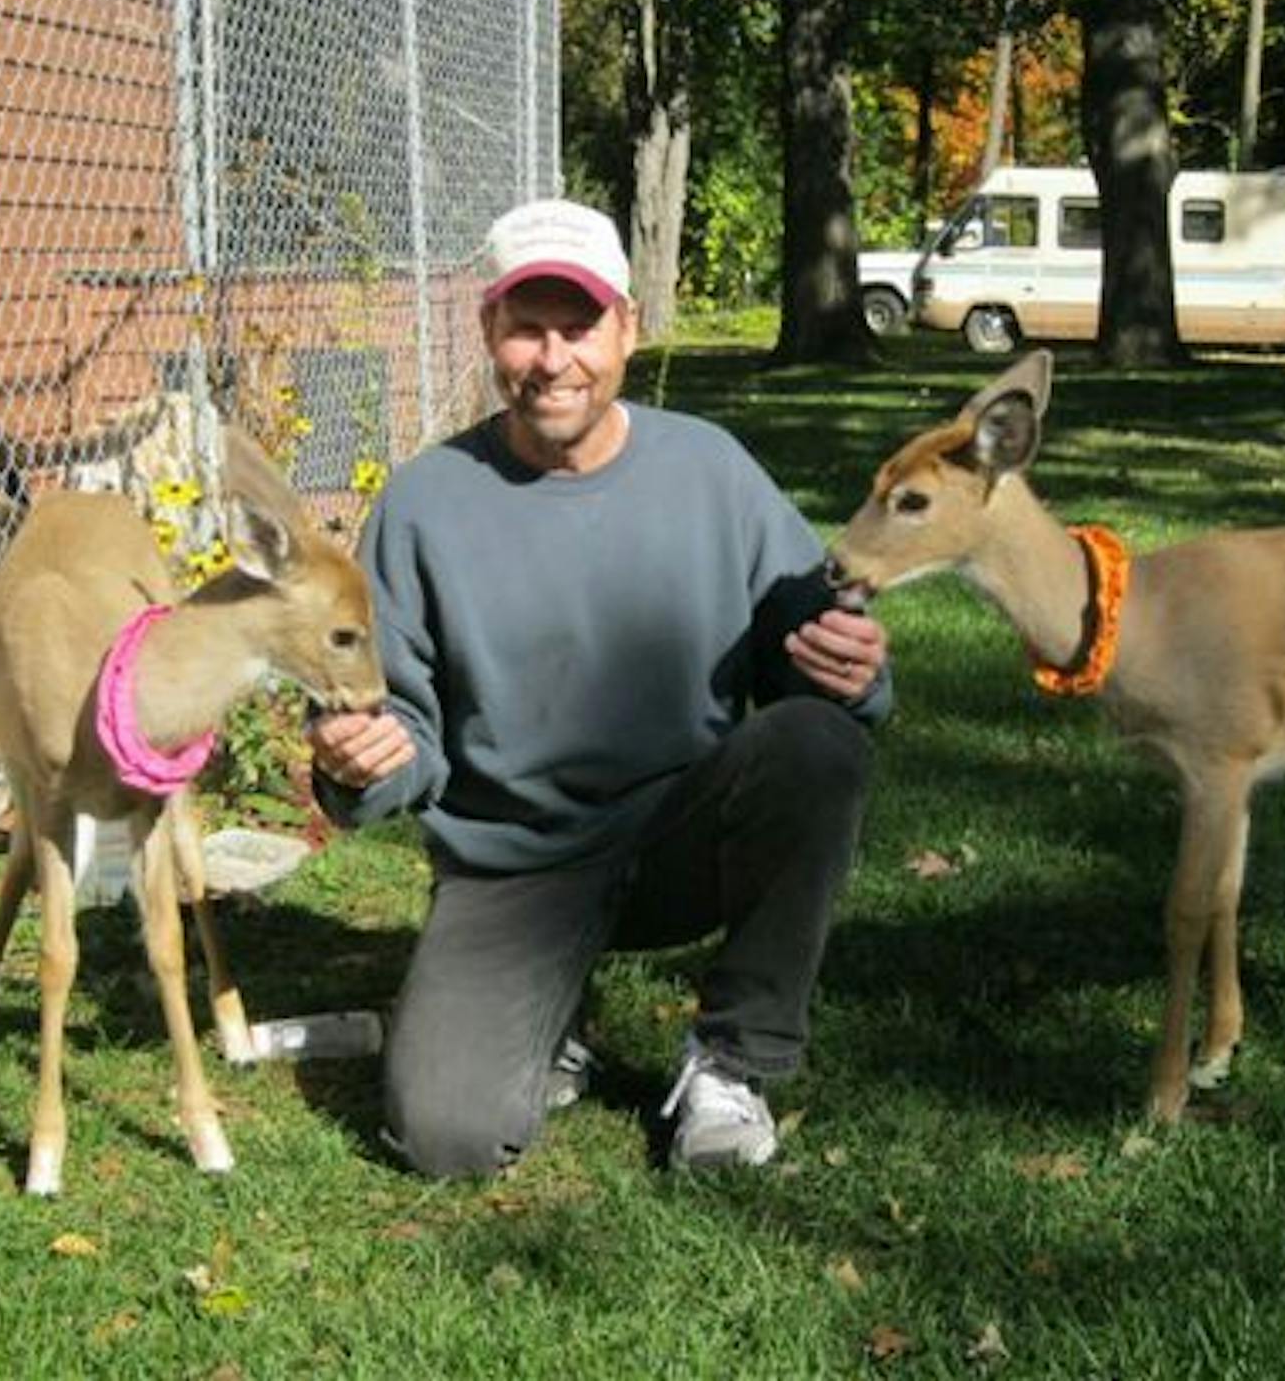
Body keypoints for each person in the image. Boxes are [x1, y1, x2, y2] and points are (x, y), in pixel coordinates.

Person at [307, 196, 892, 1177]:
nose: (553, 358)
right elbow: (394, 716)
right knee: (444, 1136)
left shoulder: (712, 470)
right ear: (488, 330)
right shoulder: (422, 503)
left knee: (816, 745)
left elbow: (816, 644)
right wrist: (367, 762)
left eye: (578, 327)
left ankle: (731, 1061)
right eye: (526, 327)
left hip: (680, 837)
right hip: (513, 868)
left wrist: (854, 673)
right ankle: (552, 1021)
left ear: (627, 326)